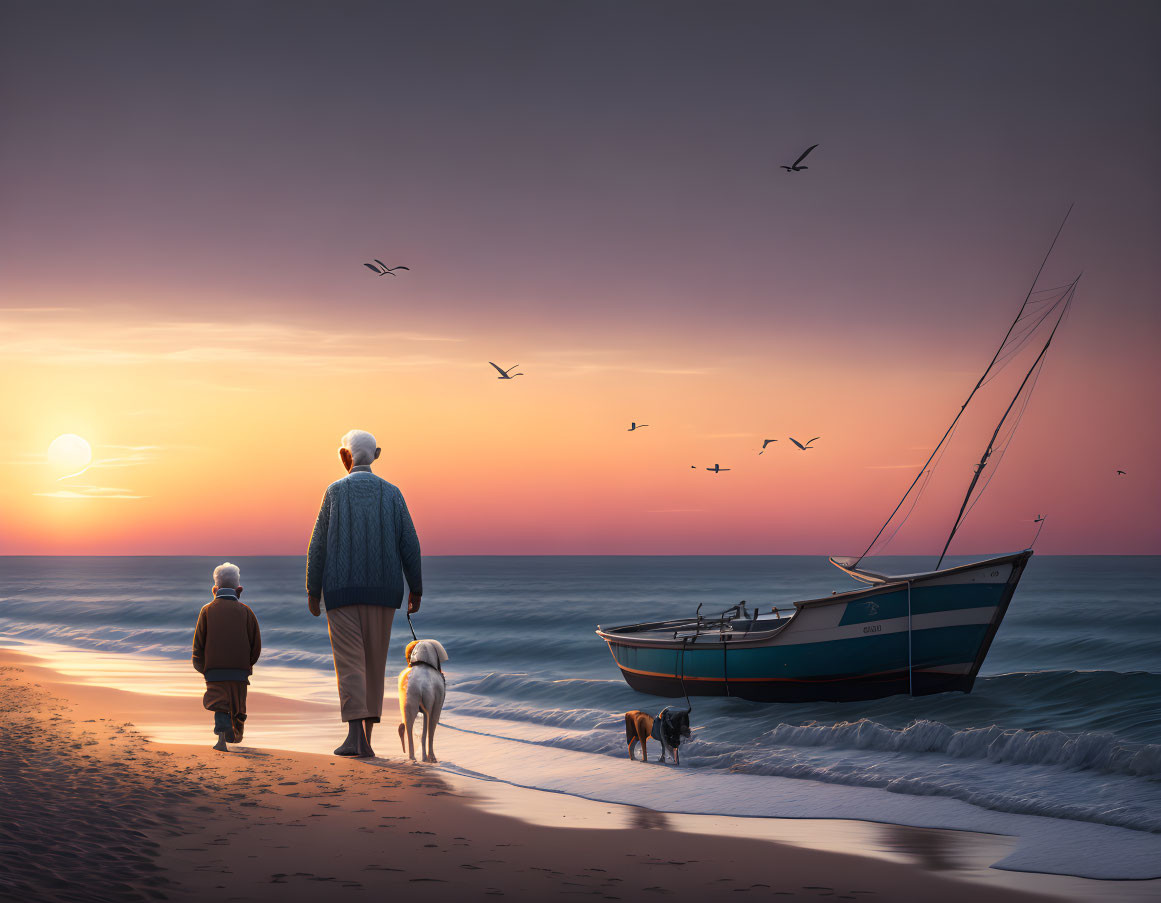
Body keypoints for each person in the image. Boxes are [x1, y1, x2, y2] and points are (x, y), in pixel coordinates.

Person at [306, 429, 423, 757]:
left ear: (345, 457)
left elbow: (318, 545)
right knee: (374, 664)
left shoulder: (334, 492)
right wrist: (416, 588)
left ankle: (355, 739)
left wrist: (313, 591)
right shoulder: (393, 493)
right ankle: (366, 741)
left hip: (341, 591)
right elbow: (410, 542)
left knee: (350, 664)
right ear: (377, 454)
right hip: (385, 591)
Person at [191, 562, 262, 751]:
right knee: (238, 706)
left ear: (214, 589)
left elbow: (199, 642)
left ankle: (221, 738)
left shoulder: (206, 611)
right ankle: (235, 732)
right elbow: (256, 645)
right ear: (239, 590)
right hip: (239, 671)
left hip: (214, 670)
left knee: (219, 704)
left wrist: (201, 665)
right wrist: (248, 663)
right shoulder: (247, 612)